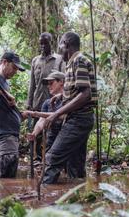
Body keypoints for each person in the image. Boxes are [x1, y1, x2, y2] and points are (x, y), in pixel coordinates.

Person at [41, 32, 98, 184]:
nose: (59, 51)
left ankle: (45, 197)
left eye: (60, 46)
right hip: (81, 118)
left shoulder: (78, 60)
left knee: (52, 158)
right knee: (75, 164)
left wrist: (56, 114)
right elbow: (78, 90)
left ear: (66, 44)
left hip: (78, 119)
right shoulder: (73, 62)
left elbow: (85, 94)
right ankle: (77, 198)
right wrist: (61, 97)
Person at [27, 32, 65, 163]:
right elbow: (32, 83)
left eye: (45, 43)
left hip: (54, 102)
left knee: (54, 127)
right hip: (38, 100)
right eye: (41, 44)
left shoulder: (59, 59)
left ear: (51, 43)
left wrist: (62, 95)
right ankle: (37, 157)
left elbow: (62, 79)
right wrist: (29, 102)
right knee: (38, 127)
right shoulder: (35, 60)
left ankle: (52, 156)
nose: (43, 46)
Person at [24, 71, 65, 152]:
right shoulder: (47, 103)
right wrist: (34, 133)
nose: (49, 86)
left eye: (51, 83)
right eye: (48, 84)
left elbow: (62, 115)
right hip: (51, 138)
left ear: (61, 82)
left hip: (65, 137)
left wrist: (35, 113)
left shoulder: (69, 101)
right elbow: (41, 121)